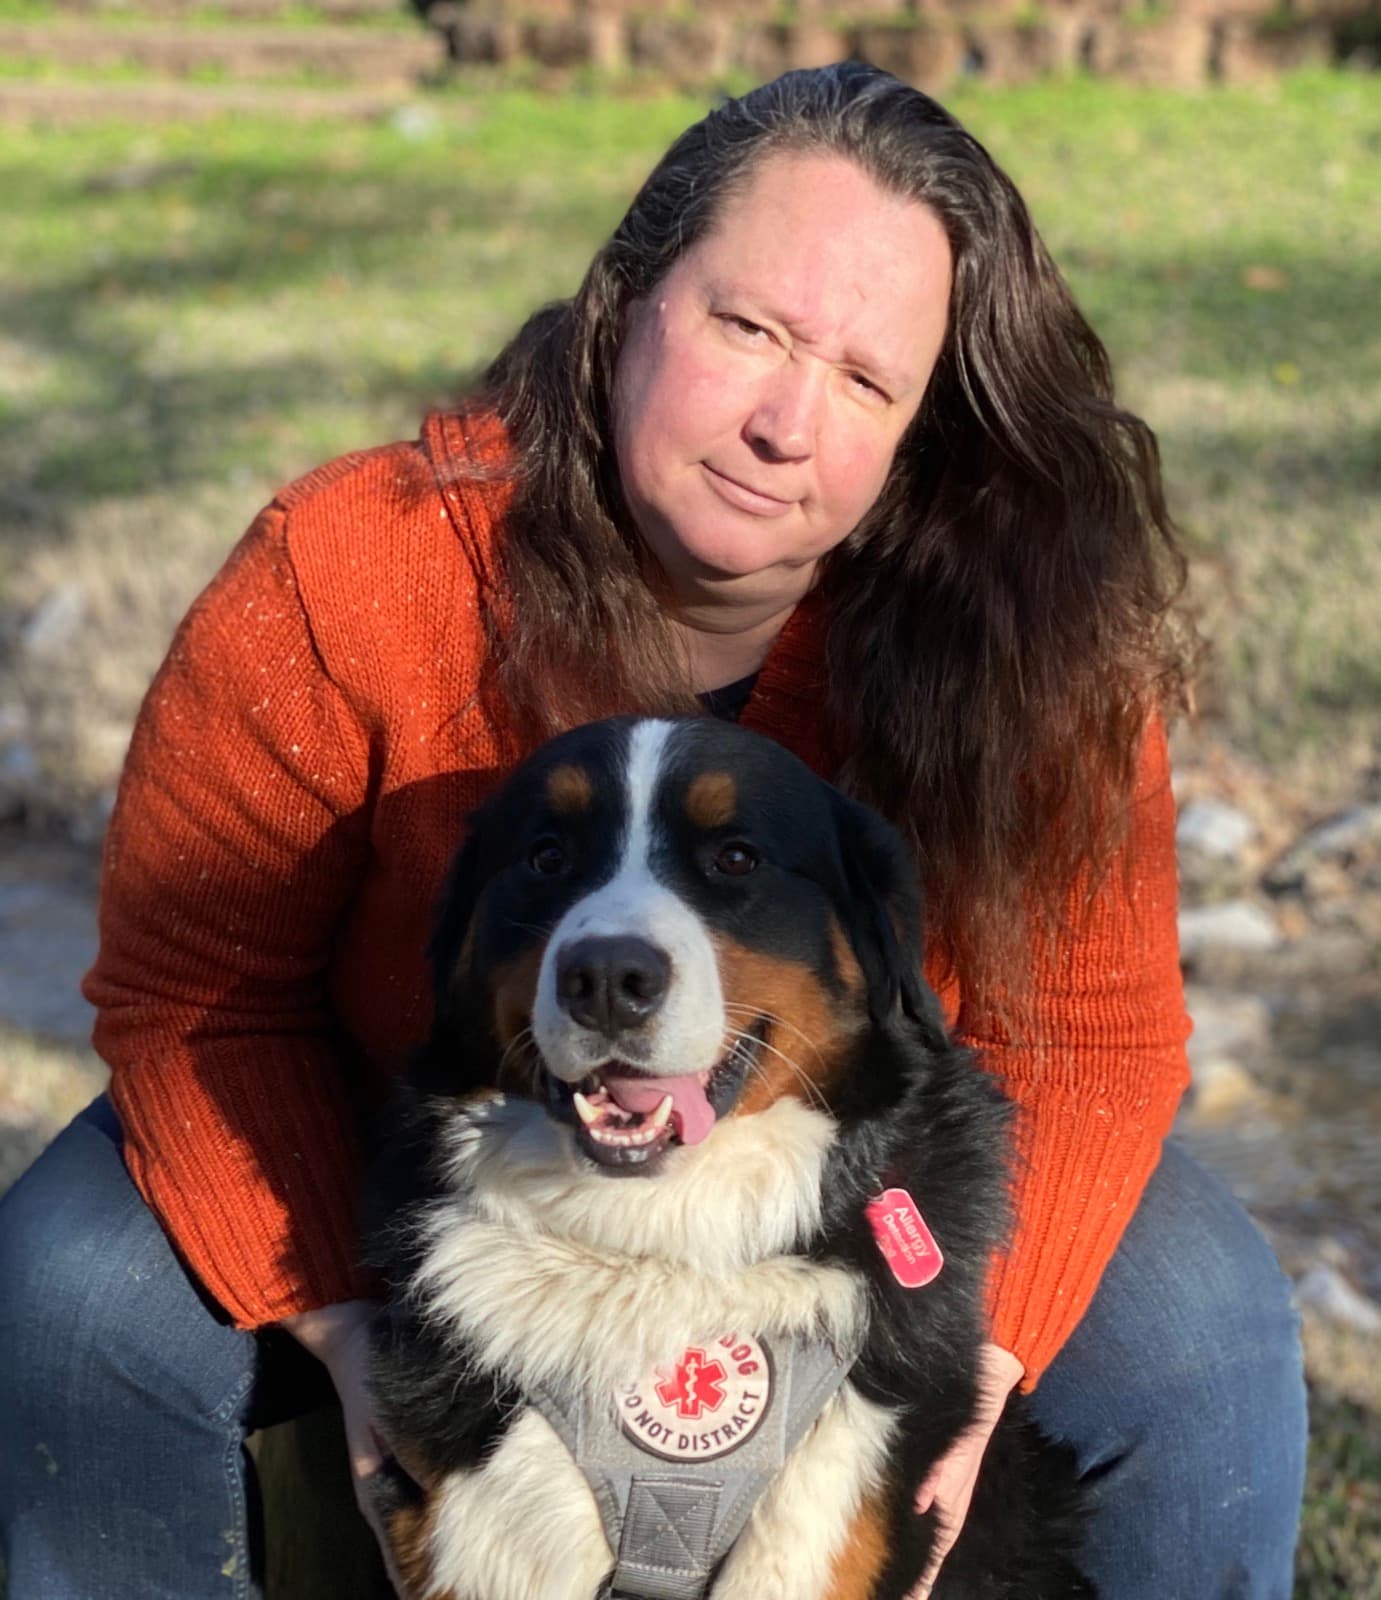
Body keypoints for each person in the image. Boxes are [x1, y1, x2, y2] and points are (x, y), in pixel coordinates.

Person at [0, 61, 1305, 1600]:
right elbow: (199, 993)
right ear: (622, 306)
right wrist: (347, 1323)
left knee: (1204, 1330)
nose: (782, 422)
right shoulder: (349, 576)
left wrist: (959, 1362)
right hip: (410, 1122)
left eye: (864, 382)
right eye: (746, 328)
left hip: (853, 1165)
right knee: (75, 1297)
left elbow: (1085, 1045)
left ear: (916, 438)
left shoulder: (1032, 650)